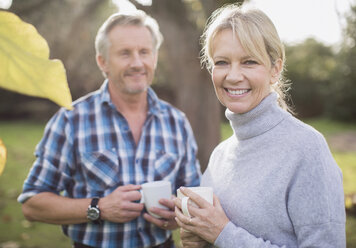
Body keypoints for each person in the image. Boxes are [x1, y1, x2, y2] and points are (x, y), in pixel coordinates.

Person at [18, 9, 201, 248]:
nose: (137, 63)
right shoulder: (71, 120)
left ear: (154, 57)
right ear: (102, 62)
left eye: (144, 52)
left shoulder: (177, 122)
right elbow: (32, 204)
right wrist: (99, 207)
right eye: (125, 53)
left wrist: (175, 218)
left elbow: (193, 198)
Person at [173, 4, 346, 248]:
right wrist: (198, 239)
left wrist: (223, 234)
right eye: (222, 62)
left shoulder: (307, 149)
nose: (233, 76)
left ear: (275, 69)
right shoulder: (220, 156)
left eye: (249, 62)